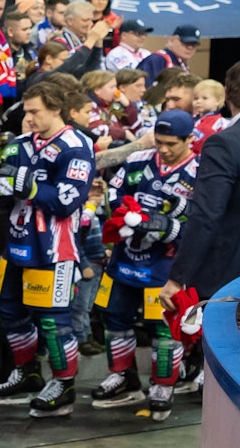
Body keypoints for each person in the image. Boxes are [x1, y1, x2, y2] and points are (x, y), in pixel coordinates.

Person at [0, 82, 96, 418]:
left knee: (53, 322)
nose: (28, 117)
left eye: (35, 111)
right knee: (9, 311)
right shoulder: (19, 144)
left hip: (54, 250)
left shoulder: (76, 146)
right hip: (15, 242)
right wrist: (23, 184)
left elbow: (65, 201)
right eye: (26, 111)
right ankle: (28, 373)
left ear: (56, 109)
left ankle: (64, 384)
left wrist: (26, 184)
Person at [91, 110, 197, 420]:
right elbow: (115, 193)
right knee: (114, 318)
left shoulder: (200, 171)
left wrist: (168, 226)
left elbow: (202, 222)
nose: (162, 149)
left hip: (165, 266)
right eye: (159, 142)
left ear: (189, 139)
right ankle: (123, 378)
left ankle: (163, 385)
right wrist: (125, 213)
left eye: (171, 144)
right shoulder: (139, 160)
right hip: (125, 257)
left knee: (163, 327)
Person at [164, 60, 240, 301]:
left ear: (226, 92)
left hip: (226, 279)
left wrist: (177, 277)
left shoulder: (224, 142)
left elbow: (206, 214)